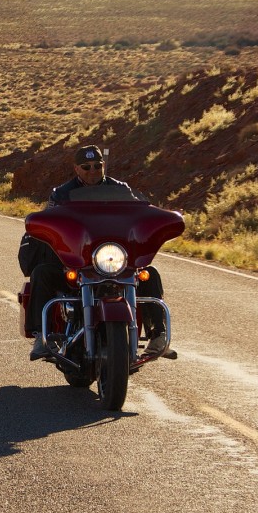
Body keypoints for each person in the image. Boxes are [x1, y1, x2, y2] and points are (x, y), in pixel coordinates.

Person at [20, 145, 166, 360]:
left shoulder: (121, 190)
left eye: (97, 166)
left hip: (112, 259)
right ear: (76, 169)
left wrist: (156, 220)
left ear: (103, 166)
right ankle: (42, 336)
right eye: (86, 167)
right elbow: (50, 220)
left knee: (148, 273)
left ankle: (158, 335)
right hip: (75, 260)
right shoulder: (61, 194)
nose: (92, 171)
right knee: (42, 273)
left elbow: (139, 213)